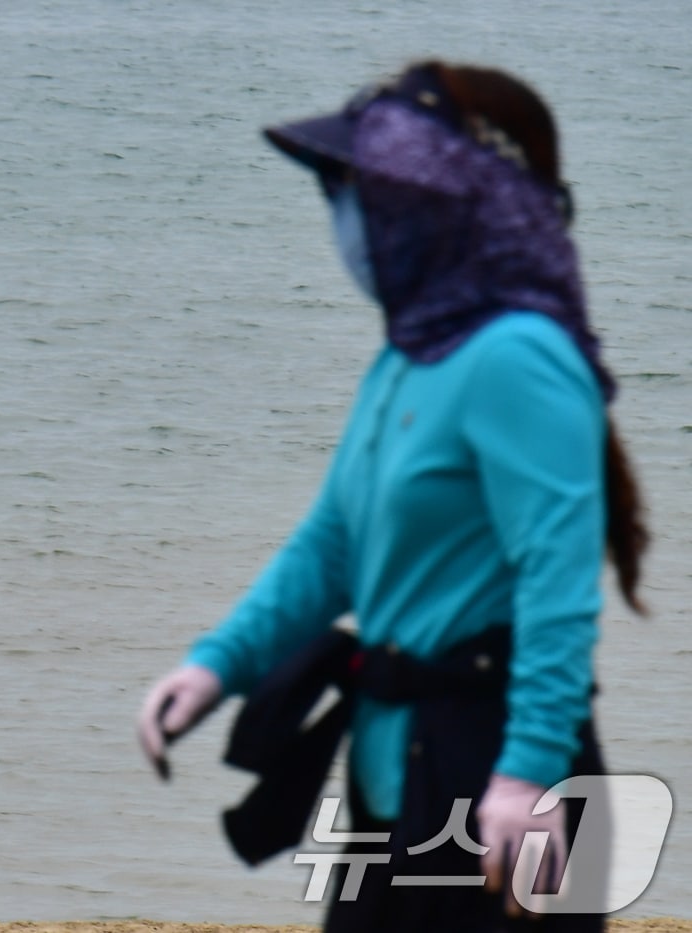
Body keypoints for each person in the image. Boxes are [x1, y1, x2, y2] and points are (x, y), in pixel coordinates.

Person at [135, 61, 648, 932]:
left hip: (500, 779)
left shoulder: (518, 356)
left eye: (363, 195)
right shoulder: (406, 358)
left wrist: (527, 770)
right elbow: (334, 545)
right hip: (395, 767)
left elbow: (557, 580)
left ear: (442, 205)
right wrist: (218, 662)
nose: (345, 222)